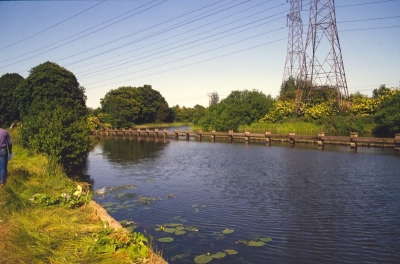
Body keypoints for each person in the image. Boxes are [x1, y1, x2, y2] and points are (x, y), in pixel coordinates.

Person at [0, 120, 12, 186]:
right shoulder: (5, 132)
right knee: (3, 166)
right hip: (3, 150)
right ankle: (2, 182)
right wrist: (10, 150)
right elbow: (10, 143)